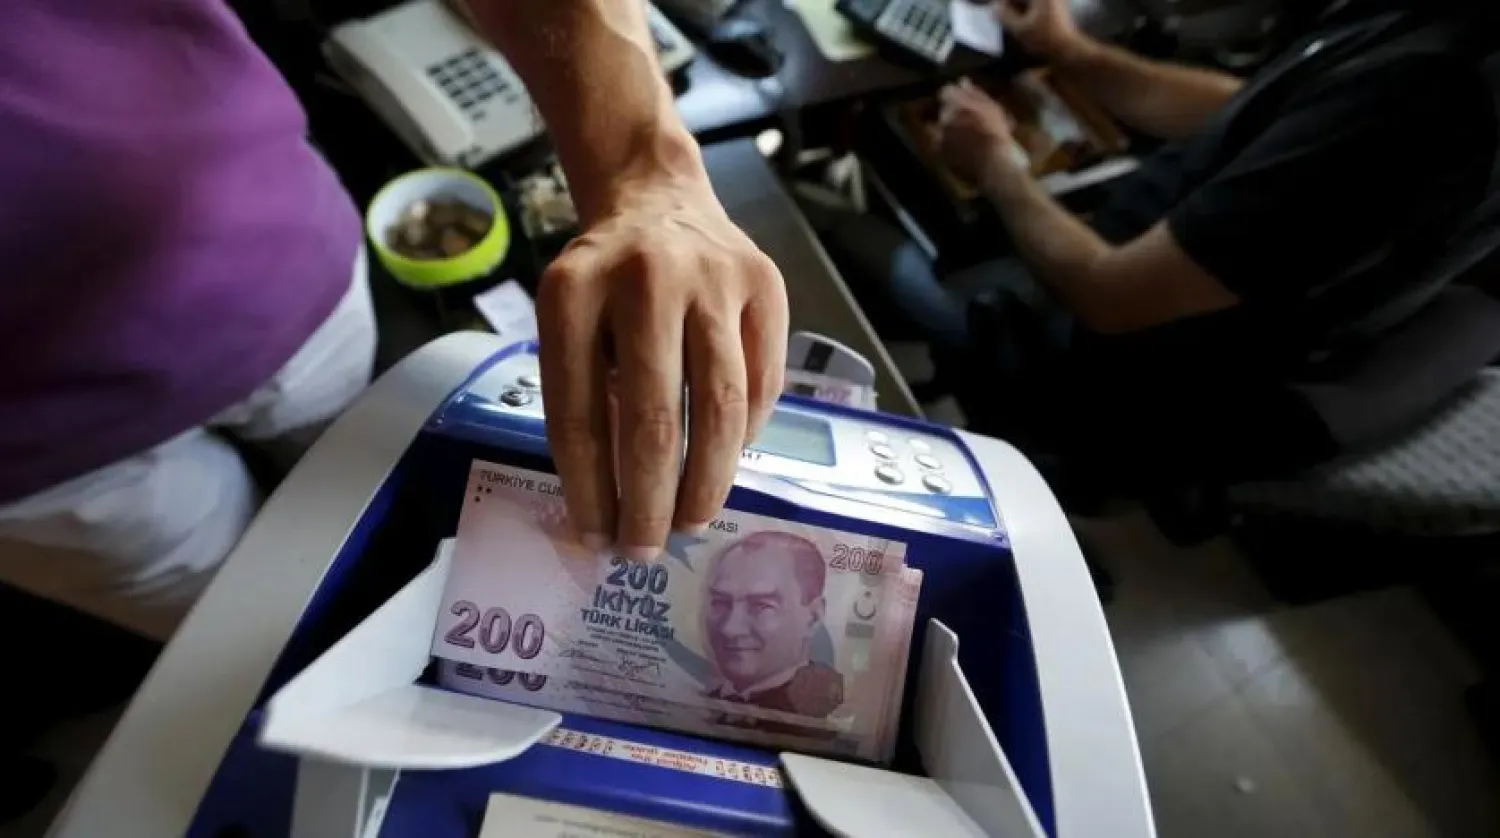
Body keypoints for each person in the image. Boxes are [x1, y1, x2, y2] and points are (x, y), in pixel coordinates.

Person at [0, 0, 787, 645]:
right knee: (271, 635)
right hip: (44, 457)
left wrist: (647, 167)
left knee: (397, 516)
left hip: (271, 267)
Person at [825, 0, 1498, 495]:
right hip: (1121, 259)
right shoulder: (1437, 31)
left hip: (1098, 363)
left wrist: (998, 166)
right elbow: (1257, 108)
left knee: (818, 217)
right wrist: (1076, 53)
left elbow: (1112, 296)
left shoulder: (1427, 105)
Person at [703, 532, 844, 719]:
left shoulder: (826, 722)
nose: (730, 628)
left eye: (761, 606)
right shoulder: (695, 705)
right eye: (720, 602)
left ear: (813, 617)